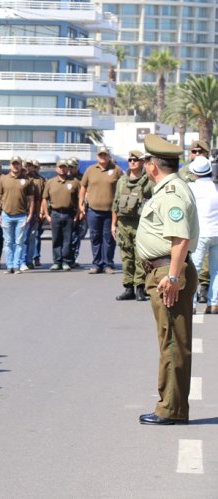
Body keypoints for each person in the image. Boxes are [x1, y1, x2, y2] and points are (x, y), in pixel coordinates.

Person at [136, 134, 198, 425]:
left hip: (167, 272)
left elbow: (180, 238)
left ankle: (171, 409)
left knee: (172, 342)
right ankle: (170, 405)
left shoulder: (172, 192)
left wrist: (173, 276)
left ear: (152, 166)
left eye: (146, 161)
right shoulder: (167, 189)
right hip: (162, 270)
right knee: (169, 340)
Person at [111, 150, 153, 301]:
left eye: (135, 159)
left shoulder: (148, 181)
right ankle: (129, 288)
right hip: (123, 223)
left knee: (140, 257)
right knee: (126, 256)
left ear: (142, 162)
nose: (132, 162)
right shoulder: (122, 181)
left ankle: (140, 287)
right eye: (130, 159)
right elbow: (115, 204)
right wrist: (113, 224)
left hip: (141, 223)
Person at [80, 146, 123, 274]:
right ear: (97, 157)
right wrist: (81, 204)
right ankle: (96, 264)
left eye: (105, 155)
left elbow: (122, 188)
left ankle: (108, 264)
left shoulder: (116, 170)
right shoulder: (90, 170)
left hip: (111, 211)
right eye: (100, 155)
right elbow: (83, 188)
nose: (103, 157)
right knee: (95, 237)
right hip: (93, 210)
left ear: (109, 156)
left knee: (109, 238)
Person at [186, 155, 218, 314]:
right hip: (217, 232)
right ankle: (214, 303)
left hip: (200, 233)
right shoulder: (215, 186)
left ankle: (191, 304)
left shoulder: (191, 187)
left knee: (194, 268)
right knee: (216, 270)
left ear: (194, 172)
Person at [0, 156, 34, 274]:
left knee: (19, 242)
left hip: (21, 215)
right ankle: (9, 265)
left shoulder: (27, 180)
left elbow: (31, 199)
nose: (15, 166)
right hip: (6, 214)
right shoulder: (3, 179)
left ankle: (16, 265)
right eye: (13, 164)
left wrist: (30, 213)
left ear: (21, 166)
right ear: (10, 165)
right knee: (8, 242)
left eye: (18, 164)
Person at [41, 160, 80, 271]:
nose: (62, 169)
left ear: (68, 169)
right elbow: (45, 199)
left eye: (65, 167)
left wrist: (78, 214)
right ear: (56, 169)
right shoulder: (50, 182)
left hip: (69, 213)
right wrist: (47, 214)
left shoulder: (74, 182)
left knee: (67, 239)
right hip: (55, 213)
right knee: (56, 238)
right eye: (60, 167)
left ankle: (66, 261)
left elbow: (79, 200)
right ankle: (57, 261)